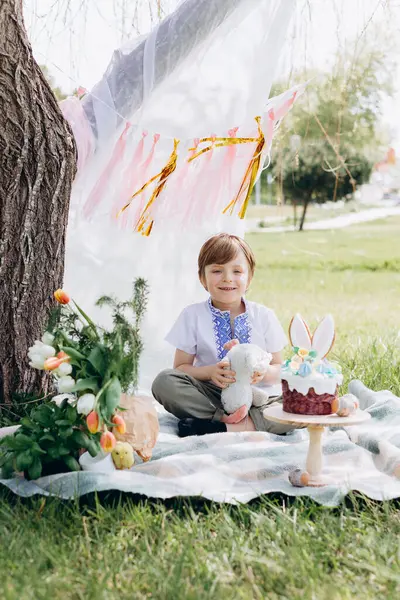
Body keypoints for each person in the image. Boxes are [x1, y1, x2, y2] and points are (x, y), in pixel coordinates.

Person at [152, 233, 296, 437]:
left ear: (250, 277)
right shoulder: (192, 315)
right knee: (164, 382)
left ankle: (218, 427)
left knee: (301, 403)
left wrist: (264, 373)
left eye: (237, 271)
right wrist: (210, 372)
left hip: (259, 398)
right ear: (202, 277)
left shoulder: (264, 316)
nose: (228, 278)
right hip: (211, 396)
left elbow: (281, 368)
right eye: (217, 270)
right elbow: (181, 369)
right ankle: (224, 418)